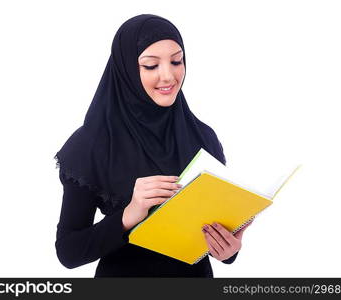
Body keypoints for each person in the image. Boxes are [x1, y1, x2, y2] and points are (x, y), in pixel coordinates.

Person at [54, 14, 251, 277]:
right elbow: (69, 252)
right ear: (126, 70)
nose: (168, 76)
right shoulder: (91, 144)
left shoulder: (203, 137)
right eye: (150, 66)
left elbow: (214, 238)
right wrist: (130, 214)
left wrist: (228, 250)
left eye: (176, 61)